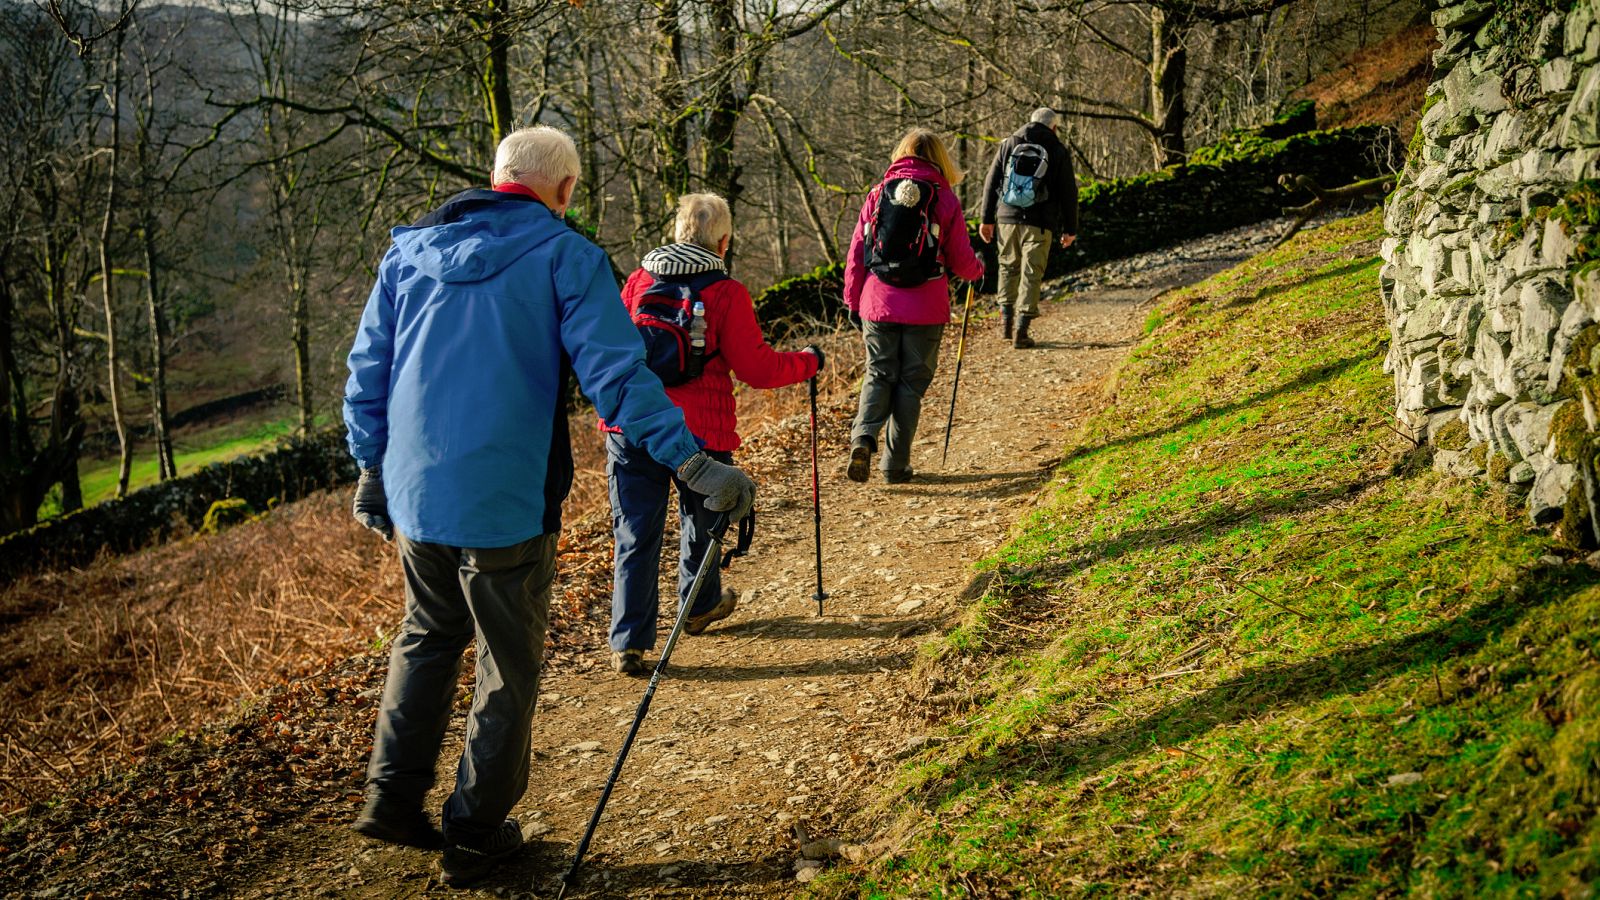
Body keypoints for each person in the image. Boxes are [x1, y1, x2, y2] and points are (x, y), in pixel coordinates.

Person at [342, 126, 756, 888]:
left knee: (427, 636)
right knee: (508, 659)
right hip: (507, 497)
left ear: (496, 176)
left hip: (415, 493)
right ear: (564, 191)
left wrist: (369, 466)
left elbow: (368, 368)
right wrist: (692, 462)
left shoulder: (408, 254)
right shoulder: (566, 256)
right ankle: (476, 833)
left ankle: (391, 797)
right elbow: (621, 379)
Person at [601, 193, 821, 675]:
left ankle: (629, 643)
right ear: (724, 241)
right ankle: (698, 607)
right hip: (700, 428)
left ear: (678, 232)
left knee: (635, 531)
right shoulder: (725, 292)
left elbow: (613, 352)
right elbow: (757, 369)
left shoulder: (637, 281)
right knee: (702, 520)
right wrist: (808, 362)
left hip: (631, 423)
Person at [843, 128, 984, 484]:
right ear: (940, 159)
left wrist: (852, 300)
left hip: (878, 301)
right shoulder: (944, 198)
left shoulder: (877, 194)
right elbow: (961, 260)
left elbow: (858, 253)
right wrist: (980, 269)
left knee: (878, 372)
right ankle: (895, 465)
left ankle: (863, 438)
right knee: (909, 384)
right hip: (926, 305)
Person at [979, 107, 1079, 349]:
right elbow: (1068, 192)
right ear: (1053, 127)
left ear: (1030, 121)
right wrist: (1070, 228)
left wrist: (986, 218)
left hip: (1007, 218)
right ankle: (1021, 332)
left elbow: (991, 181)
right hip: (1040, 222)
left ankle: (1005, 325)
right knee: (1031, 274)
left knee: (1007, 268)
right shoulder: (1057, 150)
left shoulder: (1009, 143)